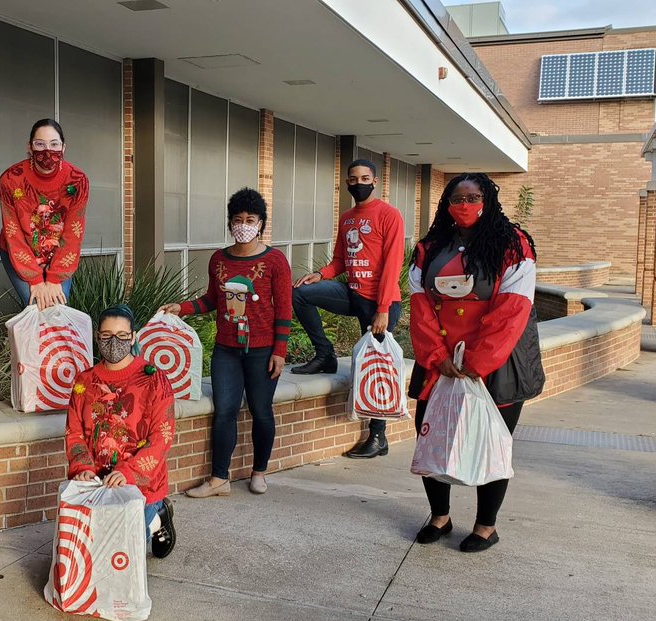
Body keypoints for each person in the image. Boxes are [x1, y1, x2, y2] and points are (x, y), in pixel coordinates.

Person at [407, 173, 539, 553]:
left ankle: (486, 525)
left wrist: (477, 362)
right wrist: (438, 357)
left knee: (492, 440)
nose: (464, 204)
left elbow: (513, 310)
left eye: (473, 196)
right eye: (457, 197)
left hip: (497, 365)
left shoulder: (514, 245)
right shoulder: (429, 248)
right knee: (430, 434)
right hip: (441, 363)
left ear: (488, 199)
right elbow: (419, 307)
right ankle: (440, 517)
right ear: (446, 202)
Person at [161, 188, 293, 497]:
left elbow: (285, 308)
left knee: (261, 410)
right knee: (224, 411)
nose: (243, 225)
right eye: (237, 219)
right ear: (229, 223)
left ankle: (259, 471)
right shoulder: (218, 259)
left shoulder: (275, 261)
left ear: (261, 223)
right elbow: (211, 299)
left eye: (250, 219)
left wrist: (280, 351)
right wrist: (182, 308)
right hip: (226, 350)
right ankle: (219, 478)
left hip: (262, 350)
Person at [291, 159, 405, 459]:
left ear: (376, 181)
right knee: (301, 293)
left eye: (365, 178)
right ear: (346, 183)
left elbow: (393, 265)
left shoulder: (389, 215)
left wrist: (382, 310)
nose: (358, 183)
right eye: (352, 179)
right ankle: (325, 354)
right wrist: (322, 274)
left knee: (375, 366)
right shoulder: (347, 218)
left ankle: (378, 437)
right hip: (352, 293)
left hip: (381, 302)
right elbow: (341, 260)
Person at [64, 305, 177, 559]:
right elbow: (75, 432)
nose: (114, 342)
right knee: (87, 553)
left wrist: (128, 472)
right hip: (95, 482)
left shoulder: (154, 380)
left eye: (122, 336)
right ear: (97, 337)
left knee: (121, 553)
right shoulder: (85, 382)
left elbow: (163, 436)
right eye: (106, 336)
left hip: (140, 484)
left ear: (134, 337)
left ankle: (158, 514)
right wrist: (83, 467)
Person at [0, 118, 90, 310]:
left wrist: (55, 278)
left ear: (63, 147)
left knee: (57, 309)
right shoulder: (10, 179)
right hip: (20, 250)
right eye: (40, 144)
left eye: (54, 144)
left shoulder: (77, 181)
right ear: (30, 147)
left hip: (60, 252)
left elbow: (73, 233)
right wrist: (35, 280)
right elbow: (13, 233)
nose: (47, 150)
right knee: (35, 306)